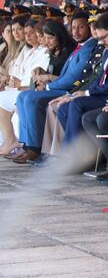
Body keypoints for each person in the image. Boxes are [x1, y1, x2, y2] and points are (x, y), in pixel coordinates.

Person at [10, 11, 97, 164]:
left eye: (81, 27)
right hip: (62, 87)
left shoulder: (88, 48)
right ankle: (26, 144)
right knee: (22, 96)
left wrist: (48, 87)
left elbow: (73, 78)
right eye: (73, 27)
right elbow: (65, 75)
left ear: (89, 27)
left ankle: (35, 148)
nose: (76, 31)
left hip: (71, 90)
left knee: (30, 97)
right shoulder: (80, 47)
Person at [55, 12, 108, 145]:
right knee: (63, 108)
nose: (101, 42)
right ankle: (80, 153)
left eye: (104, 37)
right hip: (101, 93)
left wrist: (88, 93)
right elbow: (99, 77)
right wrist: (83, 92)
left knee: (78, 103)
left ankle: (71, 157)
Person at [0, 18, 50, 156]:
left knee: (2, 100)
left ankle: (13, 141)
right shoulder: (29, 51)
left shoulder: (44, 52)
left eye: (31, 33)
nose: (27, 36)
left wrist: (18, 84)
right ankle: (8, 141)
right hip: (19, 88)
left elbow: (37, 77)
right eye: (26, 33)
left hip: (29, 90)